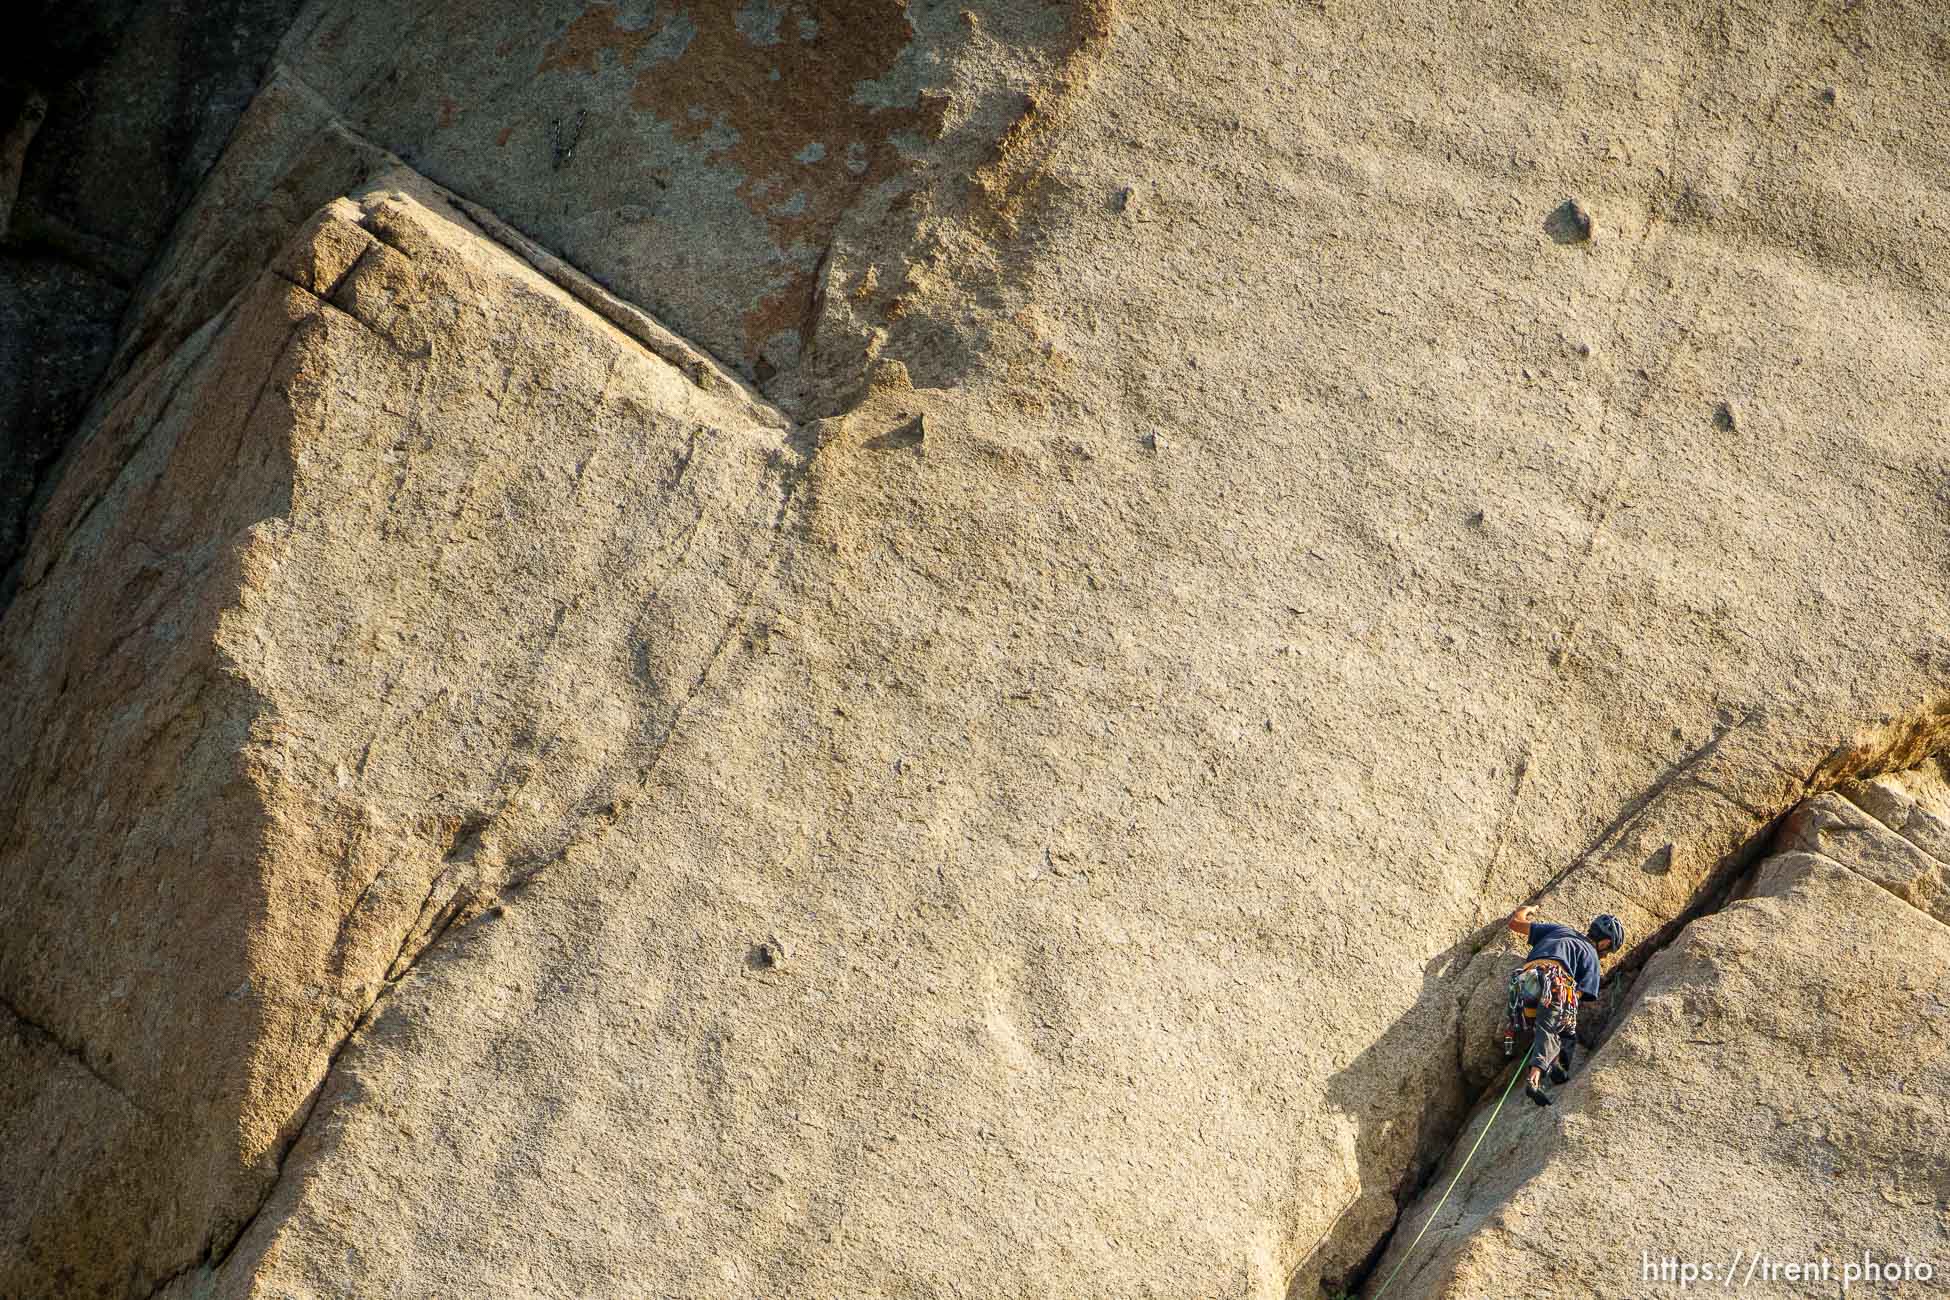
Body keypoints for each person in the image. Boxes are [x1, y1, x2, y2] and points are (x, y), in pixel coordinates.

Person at [1503, 905, 1624, 1106]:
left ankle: (1554, 1063)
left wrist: (1526, 909)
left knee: (1545, 1024)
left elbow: (1515, 923)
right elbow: (1574, 1000)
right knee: (1561, 1028)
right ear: (1604, 943)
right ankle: (1537, 1078)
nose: (1605, 955)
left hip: (1525, 982)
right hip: (1554, 982)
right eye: (1608, 951)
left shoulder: (1560, 931)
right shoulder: (1592, 958)